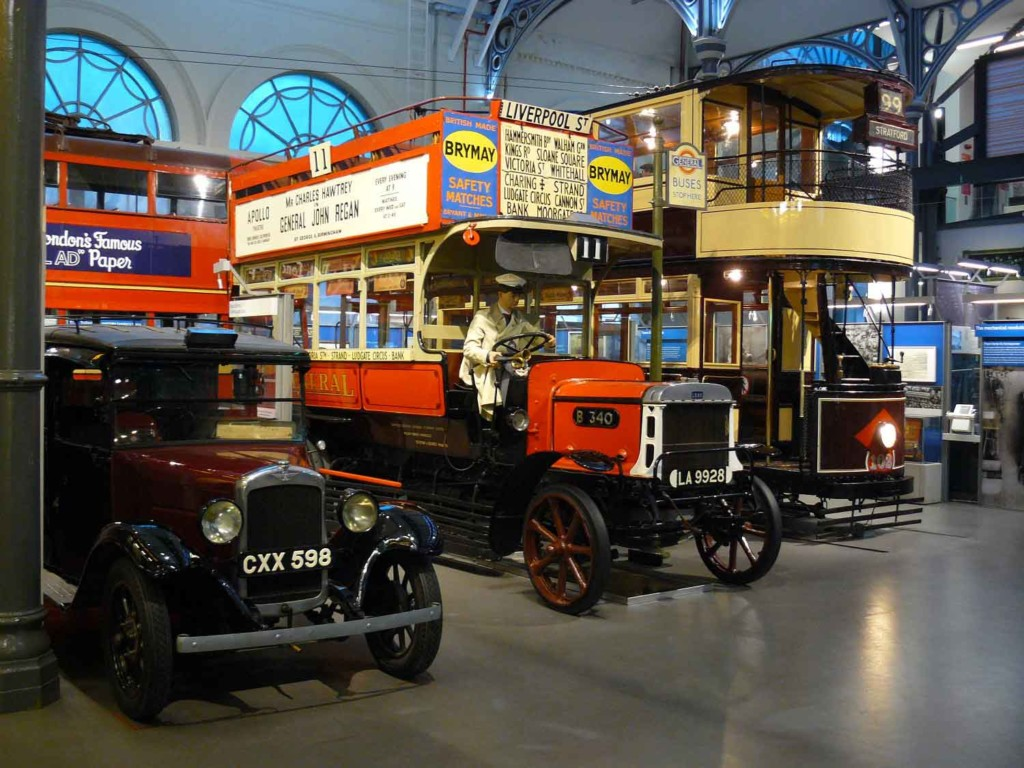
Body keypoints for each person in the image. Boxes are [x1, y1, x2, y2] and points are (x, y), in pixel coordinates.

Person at [460, 273, 555, 419]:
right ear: (500, 294)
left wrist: (548, 341)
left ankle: (529, 415)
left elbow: (535, 337)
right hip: (488, 369)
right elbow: (469, 348)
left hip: (512, 366)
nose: (516, 300)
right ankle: (503, 417)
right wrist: (487, 355)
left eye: (519, 296)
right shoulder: (483, 317)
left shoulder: (519, 318)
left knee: (531, 378)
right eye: (513, 295)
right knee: (510, 376)